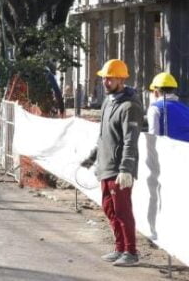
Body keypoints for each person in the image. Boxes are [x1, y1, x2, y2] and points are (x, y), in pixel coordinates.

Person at [81, 59, 143, 267]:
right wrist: (92, 157)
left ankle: (131, 252)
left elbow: (130, 140)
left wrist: (126, 169)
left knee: (123, 211)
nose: (105, 82)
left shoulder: (130, 106)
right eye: (104, 78)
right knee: (109, 209)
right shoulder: (108, 102)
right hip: (106, 167)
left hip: (119, 170)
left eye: (110, 78)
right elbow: (104, 136)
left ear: (121, 79)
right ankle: (119, 248)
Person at [146, 72, 189, 142]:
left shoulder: (155, 109)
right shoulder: (185, 108)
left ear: (156, 92)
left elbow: (153, 136)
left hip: (169, 151)